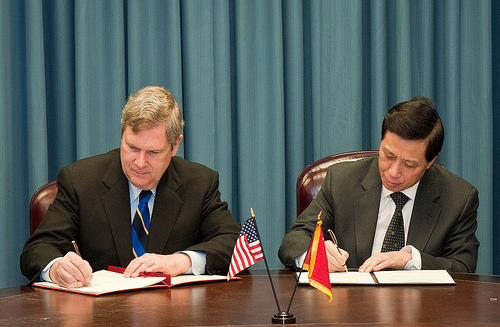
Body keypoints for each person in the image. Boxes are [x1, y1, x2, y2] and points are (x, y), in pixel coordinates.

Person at [21, 86, 241, 288]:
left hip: (174, 320)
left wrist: (180, 261)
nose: (140, 162)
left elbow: (235, 244)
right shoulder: (80, 180)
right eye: (132, 147)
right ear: (121, 136)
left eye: (153, 152)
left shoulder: (199, 182)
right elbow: (37, 249)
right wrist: (57, 268)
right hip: (98, 319)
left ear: (175, 146)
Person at [279, 96, 479, 273]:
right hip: (348, 306)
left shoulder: (458, 198)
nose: (393, 172)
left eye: (409, 164)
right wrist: (314, 255)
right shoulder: (342, 181)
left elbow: (463, 267)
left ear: (430, 161)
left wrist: (410, 260)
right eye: (388, 155)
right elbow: (295, 239)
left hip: (422, 310)